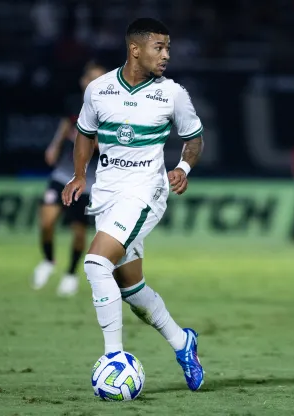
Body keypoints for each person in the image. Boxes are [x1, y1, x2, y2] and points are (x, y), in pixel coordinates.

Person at [62, 18, 205, 391]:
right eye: (160, 47)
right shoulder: (99, 89)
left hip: (145, 193)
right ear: (135, 49)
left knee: (95, 264)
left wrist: (183, 167)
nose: (166, 55)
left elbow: (194, 138)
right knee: (132, 289)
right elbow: (84, 134)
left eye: (168, 48)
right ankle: (182, 342)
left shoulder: (172, 93)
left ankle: (113, 359)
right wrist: (79, 175)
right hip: (106, 194)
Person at [32, 62, 106, 297]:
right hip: (63, 173)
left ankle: (71, 274)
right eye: (91, 78)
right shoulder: (75, 103)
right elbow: (67, 124)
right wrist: (54, 145)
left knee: (79, 232)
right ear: (84, 82)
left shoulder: (111, 109)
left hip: (89, 181)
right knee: (46, 222)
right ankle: (48, 260)